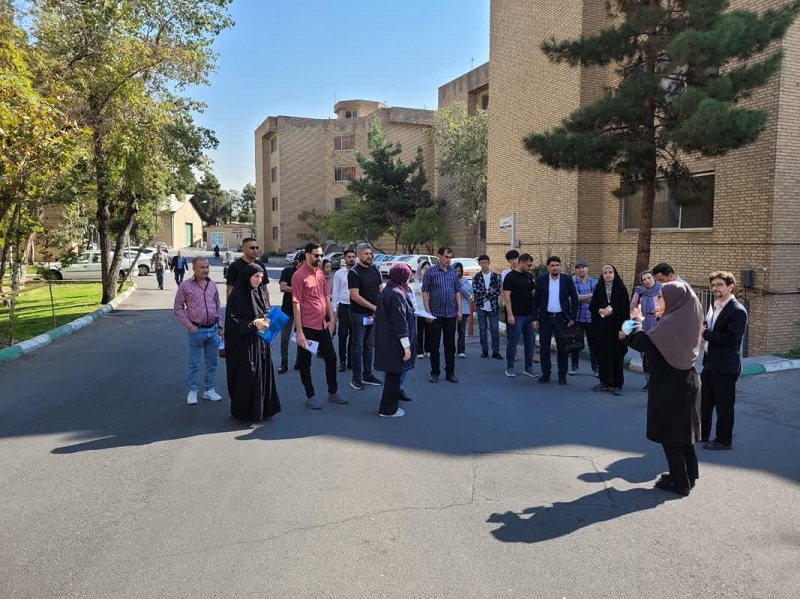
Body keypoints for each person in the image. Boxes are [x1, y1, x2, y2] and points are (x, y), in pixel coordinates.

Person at [620, 281, 704, 496]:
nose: (658, 301)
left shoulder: (671, 321)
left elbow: (641, 342)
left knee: (671, 434)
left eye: (661, 297)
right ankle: (688, 475)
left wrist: (635, 321)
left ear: (673, 299)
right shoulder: (688, 314)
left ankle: (679, 482)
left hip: (671, 384)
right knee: (684, 433)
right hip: (686, 380)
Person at [292, 242, 347, 409]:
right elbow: (296, 303)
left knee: (331, 358)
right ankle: (310, 396)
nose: (320, 258)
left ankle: (333, 392)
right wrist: (299, 331)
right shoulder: (299, 275)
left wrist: (332, 320)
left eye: (321, 255)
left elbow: (326, 297)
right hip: (307, 326)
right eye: (317, 255)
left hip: (322, 325)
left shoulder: (321, 274)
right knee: (305, 363)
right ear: (308, 255)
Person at [224, 263, 281, 422]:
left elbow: (266, 311)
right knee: (248, 375)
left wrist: (266, 320)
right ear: (247, 277)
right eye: (256, 276)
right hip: (244, 345)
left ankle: (262, 410)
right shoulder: (237, 296)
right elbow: (232, 320)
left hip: (261, 342)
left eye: (261, 277)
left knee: (262, 374)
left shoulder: (260, 292)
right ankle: (245, 412)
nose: (259, 280)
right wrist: (252, 324)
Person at [701, 271, 748, 450]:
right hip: (709, 362)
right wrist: (705, 328)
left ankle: (723, 440)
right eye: (713, 285)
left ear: (731, 287)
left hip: (726, 366)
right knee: (704, 403)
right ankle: (702, 434)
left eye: (720, 285)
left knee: (724, 406)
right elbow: (712, 328)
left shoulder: (737, 310)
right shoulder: (715, 305)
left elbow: (731, 339)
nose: (715, 288)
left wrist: (706, 334)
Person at [172, 256, 223, 405]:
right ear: (194, 268)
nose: (205, 270)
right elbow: (178, 308)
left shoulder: (212, 285)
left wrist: (220, 327)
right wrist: (189, 326)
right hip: (196, 330)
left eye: (207, 267)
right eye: (202, 267)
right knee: (193, 363)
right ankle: (192, 391)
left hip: (213, 330)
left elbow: (217, 306)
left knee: (212, 363)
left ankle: (209, 390)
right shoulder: (185, 286)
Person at [374, 264, 417, 418]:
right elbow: (400, 322)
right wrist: (406, 346)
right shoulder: (396, 294)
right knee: (394, 375)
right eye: (408, 276)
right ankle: (388, 410)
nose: (409, 278)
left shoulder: (389, 290)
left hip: (388, 339)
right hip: (395, 341)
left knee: (392, 376)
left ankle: (388, 407)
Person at [533, 256, 579, 385]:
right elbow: (536, 300)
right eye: (552, 265)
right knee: (544, 347)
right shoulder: (541, 280)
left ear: (560, 266)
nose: (555, 268)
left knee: (562, 348)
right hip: (545, 318)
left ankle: (562, 375)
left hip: (561, 318)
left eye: (557, 265)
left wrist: (572, 317)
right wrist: (535, 318)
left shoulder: (567, 279)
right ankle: (546, 374)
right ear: (548, 267)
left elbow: (574, 299)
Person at [422, 246, 462, 384]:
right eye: (446, 257)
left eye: (450, 257)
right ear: (439, 255)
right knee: (434, 345)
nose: (448, 260)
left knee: (450, 345)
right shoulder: (431, 272)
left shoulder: (453, 272)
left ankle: (450, 372)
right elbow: (425, 291)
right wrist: (427, 312)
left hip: (450, 314)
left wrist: (459, 310)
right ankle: (435, 372)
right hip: (435, 314)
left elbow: (457, 291)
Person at [589, 265, 630, 396]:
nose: (608, 275)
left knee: (617, 356)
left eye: (610, 272)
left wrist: (624, 329)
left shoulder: (621, 289)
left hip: (617, 329)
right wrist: (600, 310)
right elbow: (592, 306)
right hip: (602, 329)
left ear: (614, 274)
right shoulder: (599, 288)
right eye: (605, 273)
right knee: (603, 356)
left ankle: (618, 384)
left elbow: (625, 311)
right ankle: (604, 382)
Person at [348, 244, 384, 390]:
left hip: (373, 315)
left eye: (370, 253)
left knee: (369, 346)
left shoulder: (375, 269)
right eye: (366, 254)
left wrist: (379, 308)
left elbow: (381, 290)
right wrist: (373, 307)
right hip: (359, 315)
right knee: (358, 346)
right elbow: (355, 296)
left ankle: (367, 375)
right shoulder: (354, 272)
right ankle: (356, 378)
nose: (369, 256)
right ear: (359, 255)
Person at [503, 253, 536, 378]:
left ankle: (528, 368)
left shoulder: (529, 276)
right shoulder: (510, 277)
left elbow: (533, 292)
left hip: (529, 315)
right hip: (516, 315)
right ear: (521, 262)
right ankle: (510, 367)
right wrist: (510, 315)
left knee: (530, 342)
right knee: (513, 341)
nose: (530, 267)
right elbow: (507, 297)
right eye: (528, 265)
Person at [629, 270, 662, 390]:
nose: (647, 281)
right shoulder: (639, 292)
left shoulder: (661, 290)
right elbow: (632, 308)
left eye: (649, 278)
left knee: (657, 353)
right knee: (645, 354)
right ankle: (648, 381)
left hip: (658, 324)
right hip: (643, 323)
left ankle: (658, 381)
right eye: (644, 279)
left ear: (654, 278)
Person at [570, 260, 598, 376]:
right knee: (576, 344)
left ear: (587, 269)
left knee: (593, 344)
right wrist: (591, 295)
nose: (581, 270)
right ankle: (574, 367)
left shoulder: (595, 282)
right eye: (578, 268)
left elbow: (598, 299)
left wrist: (582, 298)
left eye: (583, 267)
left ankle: (595, 369)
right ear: (576, 270)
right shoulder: (573, 283)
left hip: (592, 318)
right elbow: (575, 298)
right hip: (578, 318)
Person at [472, 254, 502, 360]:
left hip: (493, 307)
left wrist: (484, 295)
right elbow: (476, 291)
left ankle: (496, 351)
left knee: (495, 329)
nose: (484, 265)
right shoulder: (477, 277)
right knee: (482, 329)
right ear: (479, 264)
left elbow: (497, 291)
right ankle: (484, 350)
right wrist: (489, 293)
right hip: (481, 307)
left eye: (486, 262)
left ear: (489, 263)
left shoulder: (496, 276)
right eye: (482, 263)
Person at [277, 252, 302, 374]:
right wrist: (298, 289)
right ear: (299, 261)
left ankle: (299, 362)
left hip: (302, 311)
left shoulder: (308, 274)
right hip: (287, 310)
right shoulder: (287, 271)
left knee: (301, 337)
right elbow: (283, 287)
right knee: (284, 338)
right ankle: (284, 362)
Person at [332, 249, 356, 372]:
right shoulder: (339, 274)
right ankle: (342, 361)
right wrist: (334, 309)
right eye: (349, 257)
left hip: (356, 306)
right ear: (345, 259)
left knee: (354, 335)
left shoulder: (358, 272)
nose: (351, 259)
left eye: (353, 257)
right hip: (344, 306)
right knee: (342, 335)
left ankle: (351, 361)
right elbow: (335, 291)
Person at [454, 262, 473, 358]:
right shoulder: (449, 280)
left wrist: (462, 285)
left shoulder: (464, 280)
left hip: (463, 309)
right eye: (456, 271)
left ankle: (461, 350)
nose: (457, 273)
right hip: (451, 309)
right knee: (451, 331)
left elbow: (469, 293)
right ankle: (451, 350)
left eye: (459, 271)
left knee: (461, 330)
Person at [413, 261, 431, 358]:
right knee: (420, 331)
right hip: (420, 309)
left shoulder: (432, 279)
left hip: (429, 309)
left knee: (429, 330)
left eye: (428, 269)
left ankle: (427, 349)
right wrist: (424, 280)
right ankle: (420, 351)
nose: (426, 271)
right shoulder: (417, 279)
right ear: (421, 269)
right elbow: (418, 290)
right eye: (425, 269)